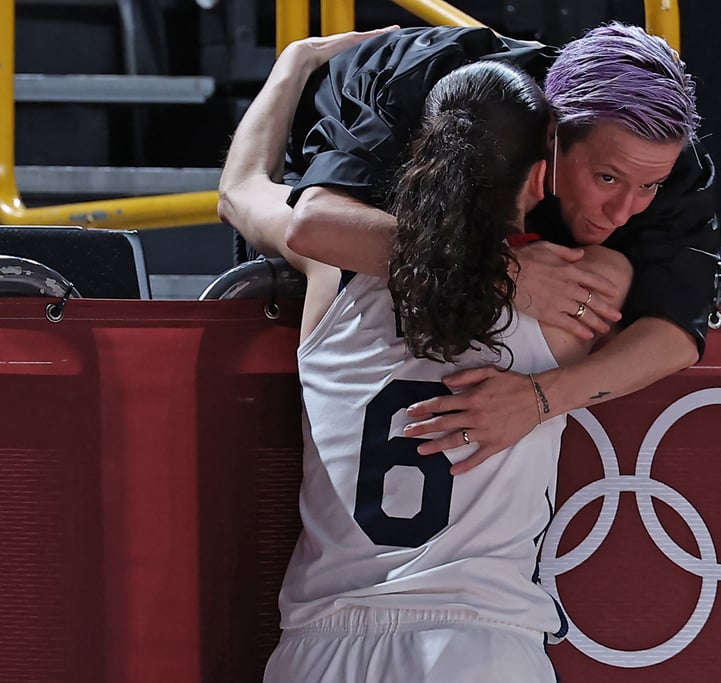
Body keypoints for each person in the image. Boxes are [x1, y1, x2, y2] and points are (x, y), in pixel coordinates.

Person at [221, 33, 631, 682]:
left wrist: (297, 62)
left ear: (422, 159)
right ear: (540, 176)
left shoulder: (332, 268)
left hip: (320, 646)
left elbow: (239, 191)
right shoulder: (582, 290)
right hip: (479, 647)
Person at [217, 21, 720, 475]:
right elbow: (315, 227)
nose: (624, 211)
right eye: (607, 178)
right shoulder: (426, 85)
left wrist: (538, 400)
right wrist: (501, 272)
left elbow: (676, 332)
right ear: (548, 141)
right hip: (352, 200)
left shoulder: (668, 154)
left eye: (649, 186)